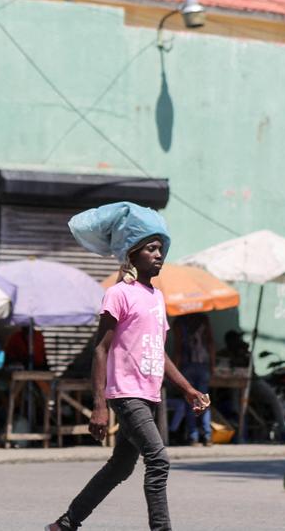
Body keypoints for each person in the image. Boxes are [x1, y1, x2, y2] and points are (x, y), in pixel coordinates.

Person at [49, 203, 207, 531]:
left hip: (148, 394)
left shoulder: (156, 298)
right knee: (159, 460)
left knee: (120, 467)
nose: (159, 254)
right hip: (125, 393)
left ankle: (66, 524)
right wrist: (99, 405)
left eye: (161, 248)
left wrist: (187, 388)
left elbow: (158, 353)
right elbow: (101, 350)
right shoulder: (118, 294)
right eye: (151, 248)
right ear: (131, 255)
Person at [173, 313, 215, 446]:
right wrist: (212, 366)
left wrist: (175, 371)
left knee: (190, 401)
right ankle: (207, 436)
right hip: (203, 365)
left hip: (186, 366)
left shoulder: (179, 322)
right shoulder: (203, 319)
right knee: (204, 400)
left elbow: (178, 347)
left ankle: (193, 436)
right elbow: (210, 343)